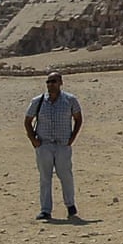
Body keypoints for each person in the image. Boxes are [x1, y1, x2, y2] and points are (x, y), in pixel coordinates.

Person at [23, 71, 82, 221]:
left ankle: (70, 205)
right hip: (44, 145)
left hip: (63, 145)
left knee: (66, 176)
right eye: (48, 82)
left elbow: (78, 119)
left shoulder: (70, 100)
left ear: (61, 83)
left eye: (54, 81)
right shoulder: (38, 101)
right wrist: (33, 140)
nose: (50, 85)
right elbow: (27, 120)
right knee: (45, 178)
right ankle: (45, 210)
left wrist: (72, 138)